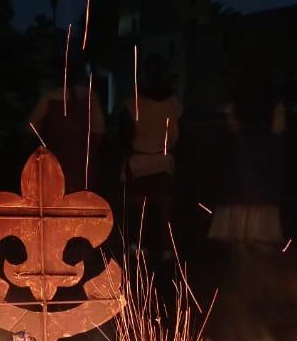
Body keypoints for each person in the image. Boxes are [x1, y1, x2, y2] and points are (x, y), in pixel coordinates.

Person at [209, 60, 285, 247]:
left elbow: (231, 124)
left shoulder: (237, 96)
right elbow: (279, 126)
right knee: (258, 193)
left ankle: (242, 245)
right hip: (262, 150)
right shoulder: (273, 97)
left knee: (241, 192)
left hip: (243, 149)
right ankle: (255, 243)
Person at [119, 54, 183, 260]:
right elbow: (180, 136)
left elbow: (124, 137)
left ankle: (138, 247)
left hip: (139, 162)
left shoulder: (132, 104)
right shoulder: (174, 104)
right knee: (165, 213)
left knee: (139, 212)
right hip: (164, 162)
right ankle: (166, 249)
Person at [27, 51, 106, 191]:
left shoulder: (49, 97)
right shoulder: (89, 96)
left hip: (55, 160)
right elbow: (99, 131)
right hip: (83, 161)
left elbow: (30, 127)